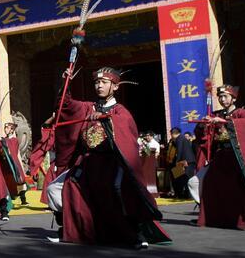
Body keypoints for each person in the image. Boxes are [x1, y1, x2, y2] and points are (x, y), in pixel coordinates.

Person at [45, 68, 167, 248]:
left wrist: (106, 118)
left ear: (115, 86)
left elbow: (125, 127)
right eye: (96, 82)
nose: (99, 85)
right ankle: (68, 227)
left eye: (104, 82)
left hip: (112, 162)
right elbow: (65, 105)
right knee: (55, 189)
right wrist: (66, 84)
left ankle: (136, 232)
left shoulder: (120, 111)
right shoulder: (88, 107)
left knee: (122, 189)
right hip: (87, 162)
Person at [193, 85, 245, 229]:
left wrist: (226, 123)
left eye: (225, 96)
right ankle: (212, 216)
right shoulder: (217, 114)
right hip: (221, 158)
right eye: (220, 96)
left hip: (238, 158)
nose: (222, 99)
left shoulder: (241, 113)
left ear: (233, 98)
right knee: (201, 183)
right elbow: (205, 138)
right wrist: (204, 126)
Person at [0, 120, 28, 206]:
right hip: (6, 164)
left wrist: (2, 140)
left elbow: (10, 147)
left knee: (19, 181)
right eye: (5, 127)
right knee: (7, 181)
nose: (6, 129)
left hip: (14, 163)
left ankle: (23, 199)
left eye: (8, 128)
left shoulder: (13, 140)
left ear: (12, 130)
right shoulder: (5, 139)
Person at [168, 127, 196, 199]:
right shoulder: (180, 138)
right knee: (180, 178)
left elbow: (179, 151)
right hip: (184, 161)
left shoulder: (180, 138)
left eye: (171, 134)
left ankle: (189, 195)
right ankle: (182, 194)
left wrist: (177, 162)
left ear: (173, 134)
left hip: (187, 161)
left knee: (188, 179)